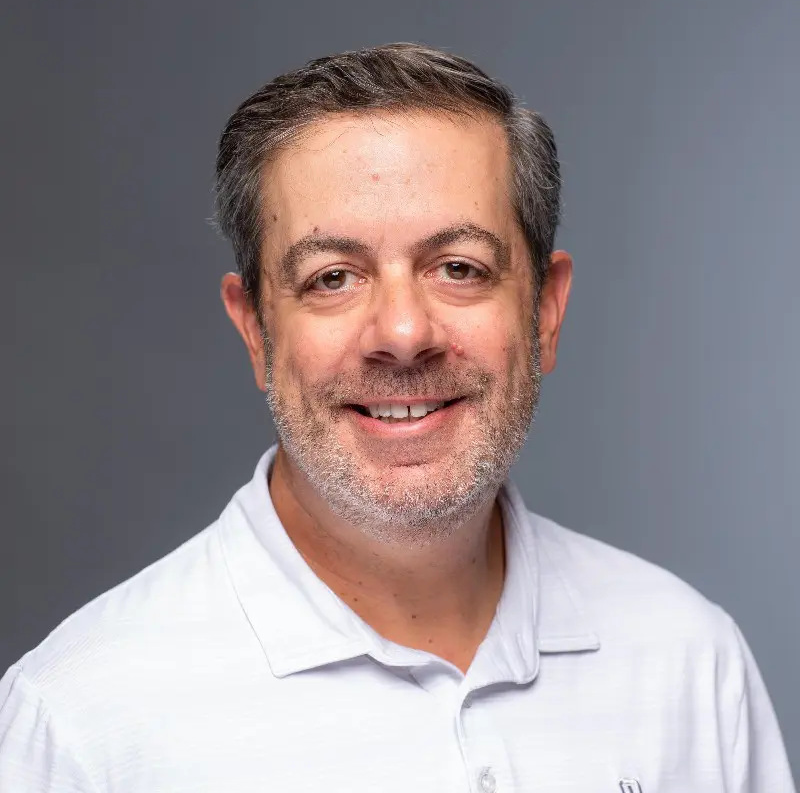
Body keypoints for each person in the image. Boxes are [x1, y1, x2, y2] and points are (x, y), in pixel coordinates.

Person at [0, 43, 794, 792]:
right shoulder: (82, 723)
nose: (404, 334)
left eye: (459, 267)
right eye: (332, 277)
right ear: (255, 331)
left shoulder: (691, 664)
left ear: (546, 311)